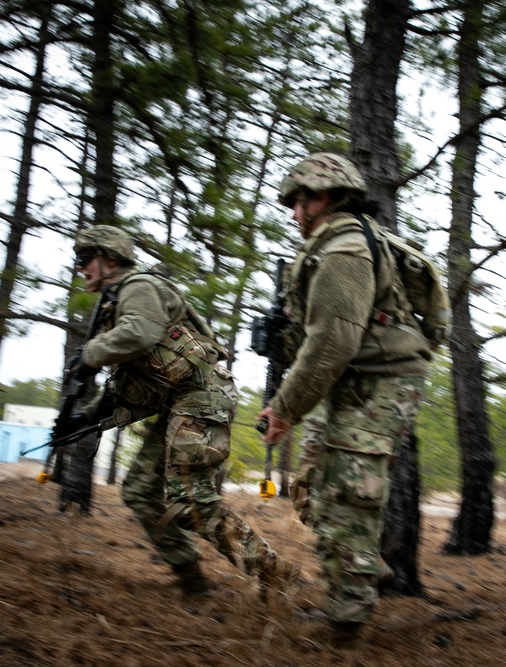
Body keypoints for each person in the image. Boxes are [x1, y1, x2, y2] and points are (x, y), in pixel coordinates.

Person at [65, 225, 299, 600]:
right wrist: (88, 416)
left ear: (110, 258)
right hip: (179, 403)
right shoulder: (116, 301)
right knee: (140, 492)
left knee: (192, 500)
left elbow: (139, 333)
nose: (80, 269)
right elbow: (131, 382)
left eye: (84, 259)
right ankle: (193, 584)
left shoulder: (137, 288)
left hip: (202, 396)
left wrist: (90, 356)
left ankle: (273, 572)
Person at [256, 152, 431, 648]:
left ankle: (346, 629)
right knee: (313, 489)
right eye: (292, 202)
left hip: (380, 387)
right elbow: (319, 336)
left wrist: (285, 409)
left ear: (328, 196)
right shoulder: (326, 250)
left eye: (302, 200)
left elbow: (333, 342)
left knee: (351, 500)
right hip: (348, 385)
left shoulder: (345, 250)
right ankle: (362, 569)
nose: (294, 212)